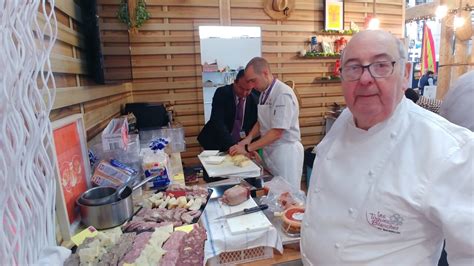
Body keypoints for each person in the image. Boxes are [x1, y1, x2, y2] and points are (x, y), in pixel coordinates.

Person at [300, 30, 474, 265]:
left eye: (381, 65)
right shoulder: (344, 120)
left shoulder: (449, 150)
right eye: (353, 67)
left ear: (405, 75)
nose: (365, 79)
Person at [229, 57, 304, 189]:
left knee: (289, 195)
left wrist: (247, 148)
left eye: (253, 80)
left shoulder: (282, 94)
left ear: (265, 73)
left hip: (286, 153)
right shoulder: (264, 93)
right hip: (272, 151)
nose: (251, 86)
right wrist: (248, 139)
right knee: (273, 193)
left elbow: (277, 132)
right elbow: (261, 122)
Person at [197, 69, 259, 151]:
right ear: (234, 83)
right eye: (241, 88)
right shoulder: (222, 93)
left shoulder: (255, 98)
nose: (244, 93)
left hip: (240, 143)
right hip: (217, 141)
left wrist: (247, 147)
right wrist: (233, 146)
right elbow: (217, 121)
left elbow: (255, 126)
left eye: (248, 90)